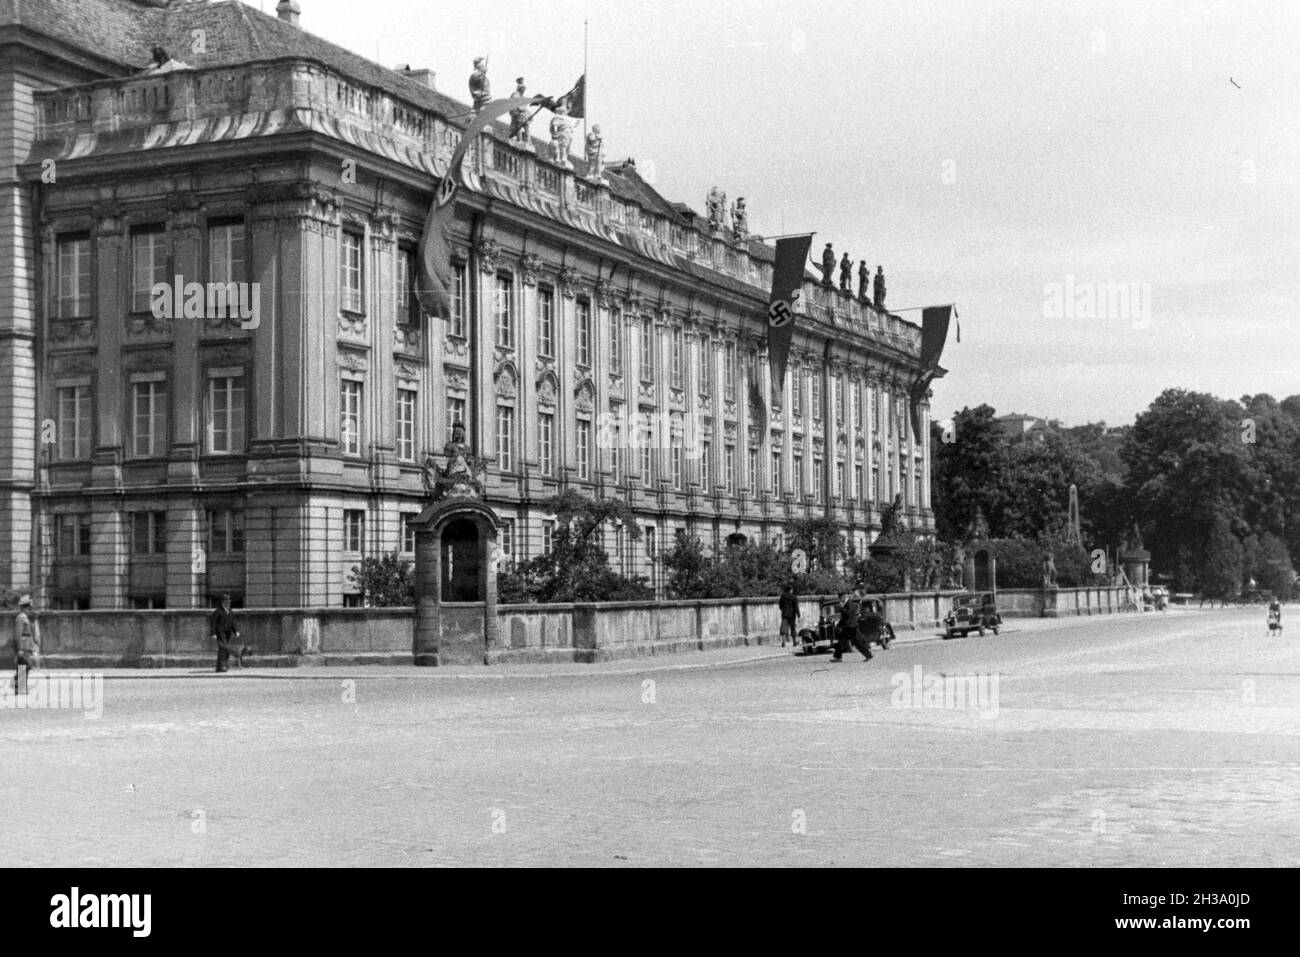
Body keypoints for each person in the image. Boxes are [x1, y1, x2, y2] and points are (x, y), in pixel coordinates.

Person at [831, 591, 873, 662]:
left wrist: (841, 608)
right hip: (846, 627)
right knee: (841, 641)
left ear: (843, 597)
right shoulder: (845, 604)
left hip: (851, 627)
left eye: (840, 598)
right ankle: (838, 657)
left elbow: (848, 614)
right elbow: (844, 618)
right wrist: (838, 625)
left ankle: (868, 655)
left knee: (857, 643)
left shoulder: (850, 604)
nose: (839, 600)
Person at [210, 594, 245, 673]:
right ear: (222, 602)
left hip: (228, 632)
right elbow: (213, 623)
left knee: (223, 650)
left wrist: (236, 631)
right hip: (220, 632)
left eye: (228, 602)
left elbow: (233, 622)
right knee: (224, 647)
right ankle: (226, 663)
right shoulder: (218, 611)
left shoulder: (230, 611)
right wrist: (213, 633)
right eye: (226, 602)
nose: (227, 603)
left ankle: (222, 666)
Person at [13, 595, 39, 694]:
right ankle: (18, 683)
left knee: (24, 666)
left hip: (27, 646)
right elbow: (18, 634)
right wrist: (19, 648)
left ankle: (21, 688)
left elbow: (30, 634)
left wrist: (32, 647)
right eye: (28, 608)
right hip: (22, 646)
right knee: (26, 665)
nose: (30, 610)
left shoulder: (26, 618)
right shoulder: (20, 618)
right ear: (24, 608)